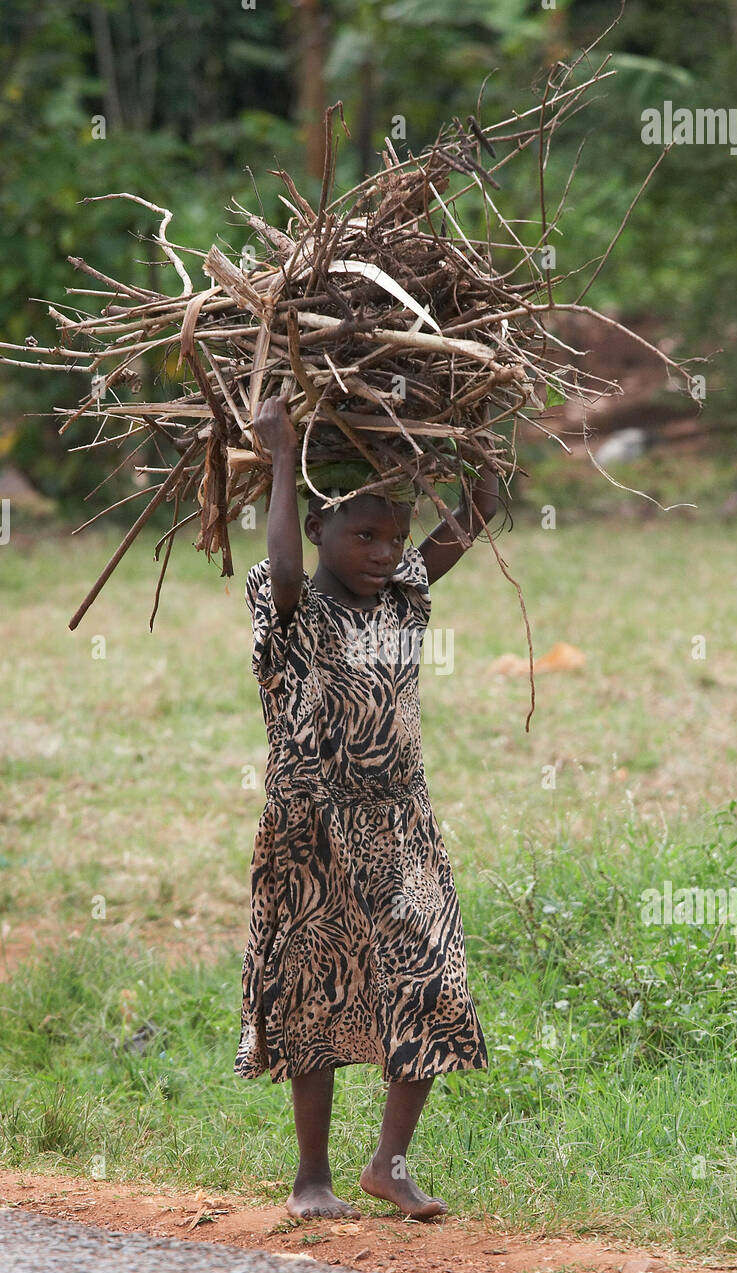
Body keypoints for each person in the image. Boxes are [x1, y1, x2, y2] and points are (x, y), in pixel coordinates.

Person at [234, 394, 499, 1221]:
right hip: (311, 828)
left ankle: (389, 1163)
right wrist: (283, 456)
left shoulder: (403, 598)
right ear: (316, 529)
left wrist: (475, 433)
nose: (385, 553)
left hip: (400, 823)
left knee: (430, 976)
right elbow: (281, 572)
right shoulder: (289, 604)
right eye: (363, 536)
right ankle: (311, 1175)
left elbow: (483, 510)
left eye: (393, 536)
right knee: (317, 991)